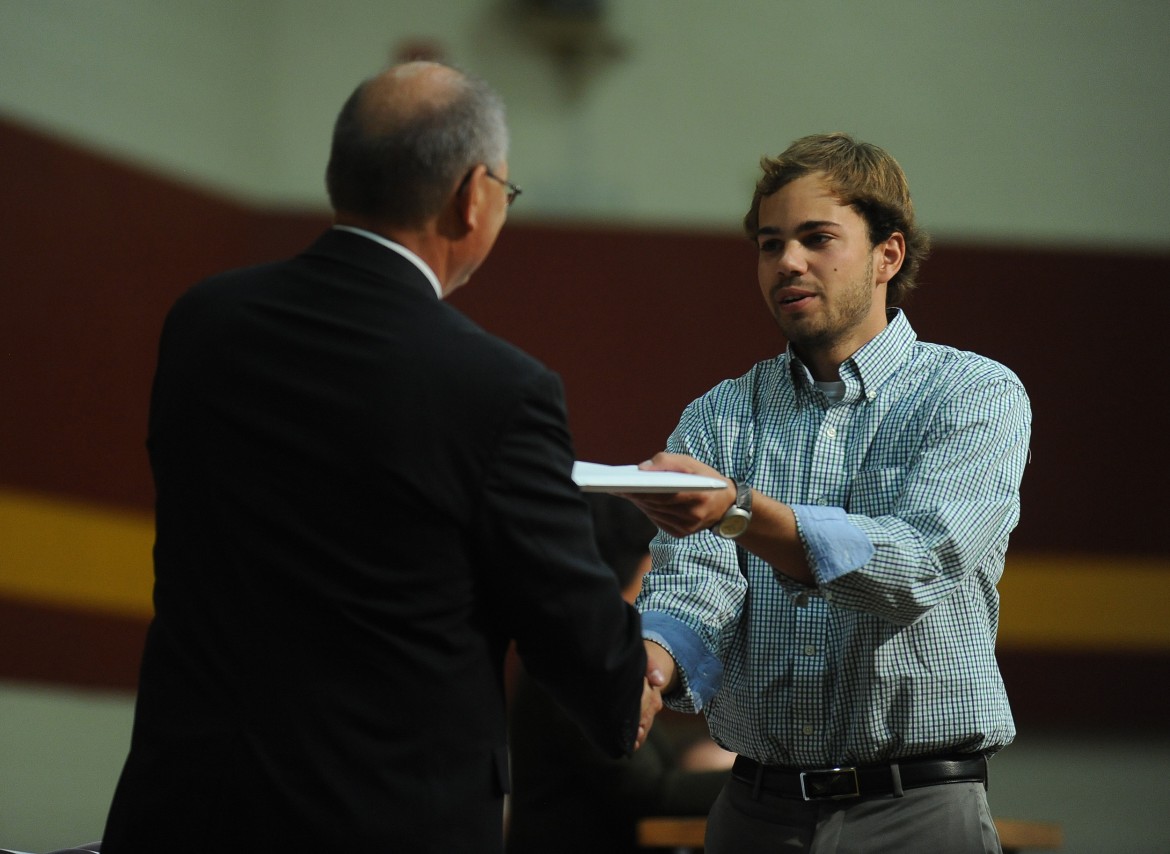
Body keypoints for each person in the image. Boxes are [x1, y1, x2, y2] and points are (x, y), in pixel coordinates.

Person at [102, 61, 660, 853]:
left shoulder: (203, 324)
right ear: (474, 196)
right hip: (383, 825)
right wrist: (661, 641)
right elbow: (588, 659)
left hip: (183, 814)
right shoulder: (499, 390)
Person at [625, 133, 1032, 853]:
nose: (788, 262)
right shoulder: (720, 415)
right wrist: (649, 669)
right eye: (769, 243)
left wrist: (739, 511)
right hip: (755, 808)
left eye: (817, 238)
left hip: (917, 808)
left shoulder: (973, 393)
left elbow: (919, 563)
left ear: (889, 255)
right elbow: (693, 588)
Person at [506, 493, 732, 854]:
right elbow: (648, 793)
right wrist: (762, 781)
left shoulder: (591, 649)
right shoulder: (579, 656)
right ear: (643, 568)